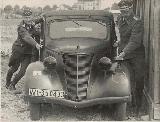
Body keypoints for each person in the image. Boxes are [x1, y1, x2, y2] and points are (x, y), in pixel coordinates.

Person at [114, 0, 145, 116]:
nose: (124, 12)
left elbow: (135, 41)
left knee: (138, 80)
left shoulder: (137, 22)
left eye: (126, 10)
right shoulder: (121, 20)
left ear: (131, 8)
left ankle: (138, 109)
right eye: (122, 10)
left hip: (136, 56)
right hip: (126, 55)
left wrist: (122, 53)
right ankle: (128, 106)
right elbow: (124, 37)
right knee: (127, 80)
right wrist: (119, 42)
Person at [5, 8, 43, 90]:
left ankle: (13, 84)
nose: (28, 19)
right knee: (14, 68)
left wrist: (43, 17)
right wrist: (36, 44)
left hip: (27, 52)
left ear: (31, 17)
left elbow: (38, 20)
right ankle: (7, 82)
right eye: (26, 18)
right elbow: (27, 37)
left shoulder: (31, 23)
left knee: (24, 71)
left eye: (29, 17)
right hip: (18, 51)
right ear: (23, 18)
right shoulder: (21, 28)